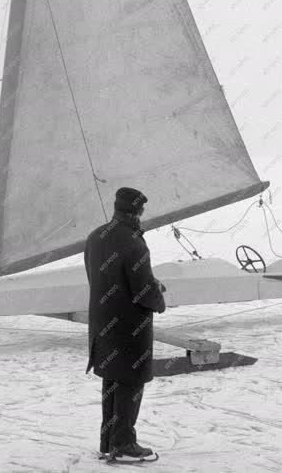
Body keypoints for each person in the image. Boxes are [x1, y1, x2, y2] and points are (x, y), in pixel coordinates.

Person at [84, 187, 166, 462]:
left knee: (112, 381)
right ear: (138, 211)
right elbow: (143, 293)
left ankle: (109, 442)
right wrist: (159, 298)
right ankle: (124, 445)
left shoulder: (95, 237)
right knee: (130, 384)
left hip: (102, 324)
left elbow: (104, 279)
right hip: (129, 329)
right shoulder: (134, 243)